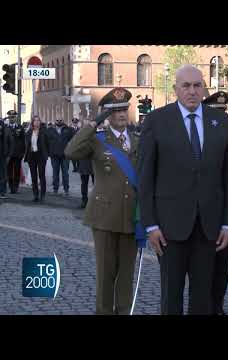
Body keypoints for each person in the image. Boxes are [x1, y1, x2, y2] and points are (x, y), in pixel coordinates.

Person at [139, 65, 228, 315]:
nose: (192, 91)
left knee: (203, 298)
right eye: (186, 86)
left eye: (197, 85)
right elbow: (146, 178)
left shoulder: (221, 121)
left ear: (204, 88)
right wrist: (150, 225)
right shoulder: (156, 121)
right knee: (171, 296)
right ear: (176, 89)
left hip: (209, 228)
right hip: (169, 227)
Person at [64, 87, 139, 315]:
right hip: (105, 217)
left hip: (131, 215)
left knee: (126, 273)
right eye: (115, 111)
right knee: (106, 273)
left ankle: (124, 311)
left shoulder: (139, 140)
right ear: (108, 115)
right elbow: (71, 151)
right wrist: (94, 123)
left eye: (124, 109)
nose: (122, 114)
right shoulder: (97, 140)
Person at [202, 91, 228, 315]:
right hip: (206, 214)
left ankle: (218, 305)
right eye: (217, 114)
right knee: (205, 267)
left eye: (224, 113)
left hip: (226, 214)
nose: (221, 119)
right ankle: (206, 305)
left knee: (223, 268)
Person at [24, 115, 50, 203]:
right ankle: (35, 195)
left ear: (40, 122)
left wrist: (47, 154)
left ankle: (42, 195)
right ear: (32, 122)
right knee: (33, 176)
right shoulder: (29, 132)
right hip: (32, 156)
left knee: (42, 175)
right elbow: (27, 143)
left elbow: (48, 143)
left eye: (38, 120)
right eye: (35, 120)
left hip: (41, 156)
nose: (37, 122)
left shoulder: (44, 132)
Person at [47, 118, 75, 195]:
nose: (59, 121)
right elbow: (47, 142)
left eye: (60, 120)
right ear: (55, 121)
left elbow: (73, 140)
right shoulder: (50, 130)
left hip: (65, 155)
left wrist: (70, 151)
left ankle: (66, 190)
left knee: (65, 173)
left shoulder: (69, 130)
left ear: (63, 120)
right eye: (57, 120)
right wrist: (49, 152)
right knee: (55, 173)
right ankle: (55, 189)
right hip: (54, 155)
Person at [6, 110, 26, 194]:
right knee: (9, 171)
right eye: (10, 117)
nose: (12, 119)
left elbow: (23, 141)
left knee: (17, 171)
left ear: (16, 117)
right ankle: (11, 187)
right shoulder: (5, 127)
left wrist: (23, 153)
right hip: (8, 154)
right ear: (8, 118)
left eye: (13, 117)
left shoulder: (20, 127)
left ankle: (16, 186)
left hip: (18, 153)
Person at [0, 117, 13, 200]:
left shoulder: (6, 129)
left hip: (3, 156)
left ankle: (2, 192)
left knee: (3, 175)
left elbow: (11, 143)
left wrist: (9, 155)